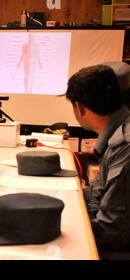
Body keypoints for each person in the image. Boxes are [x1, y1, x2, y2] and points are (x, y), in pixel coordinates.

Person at [65, 63, 130, 257]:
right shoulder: (118, 135)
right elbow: (97, 194)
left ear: (80, 107)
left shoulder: (125, 147)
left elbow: (111, 232)